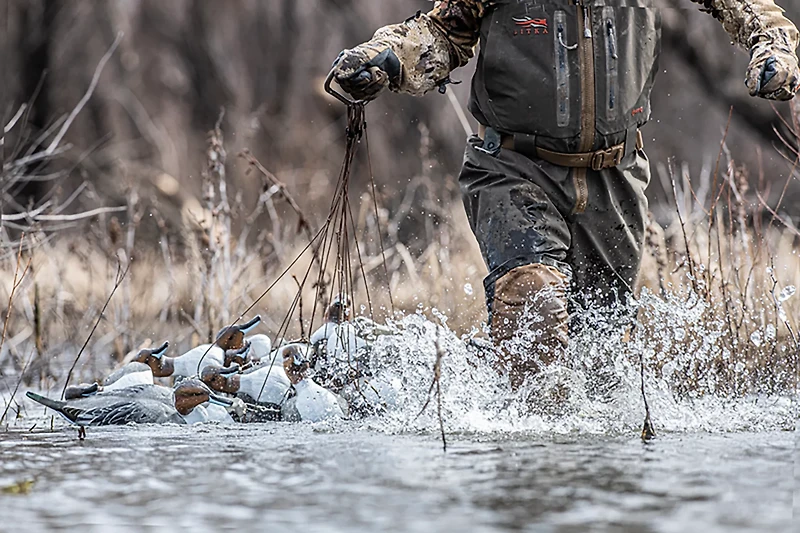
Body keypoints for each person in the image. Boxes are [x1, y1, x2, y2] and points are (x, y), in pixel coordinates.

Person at [330, 0, 799, 389]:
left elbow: (747, 7)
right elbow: (440, 32)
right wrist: (387, 56)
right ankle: (525, 452)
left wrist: (775, 46)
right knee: (534, 305)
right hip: (513, 166)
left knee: (602, 357)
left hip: (615, 176)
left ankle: (563, 448)